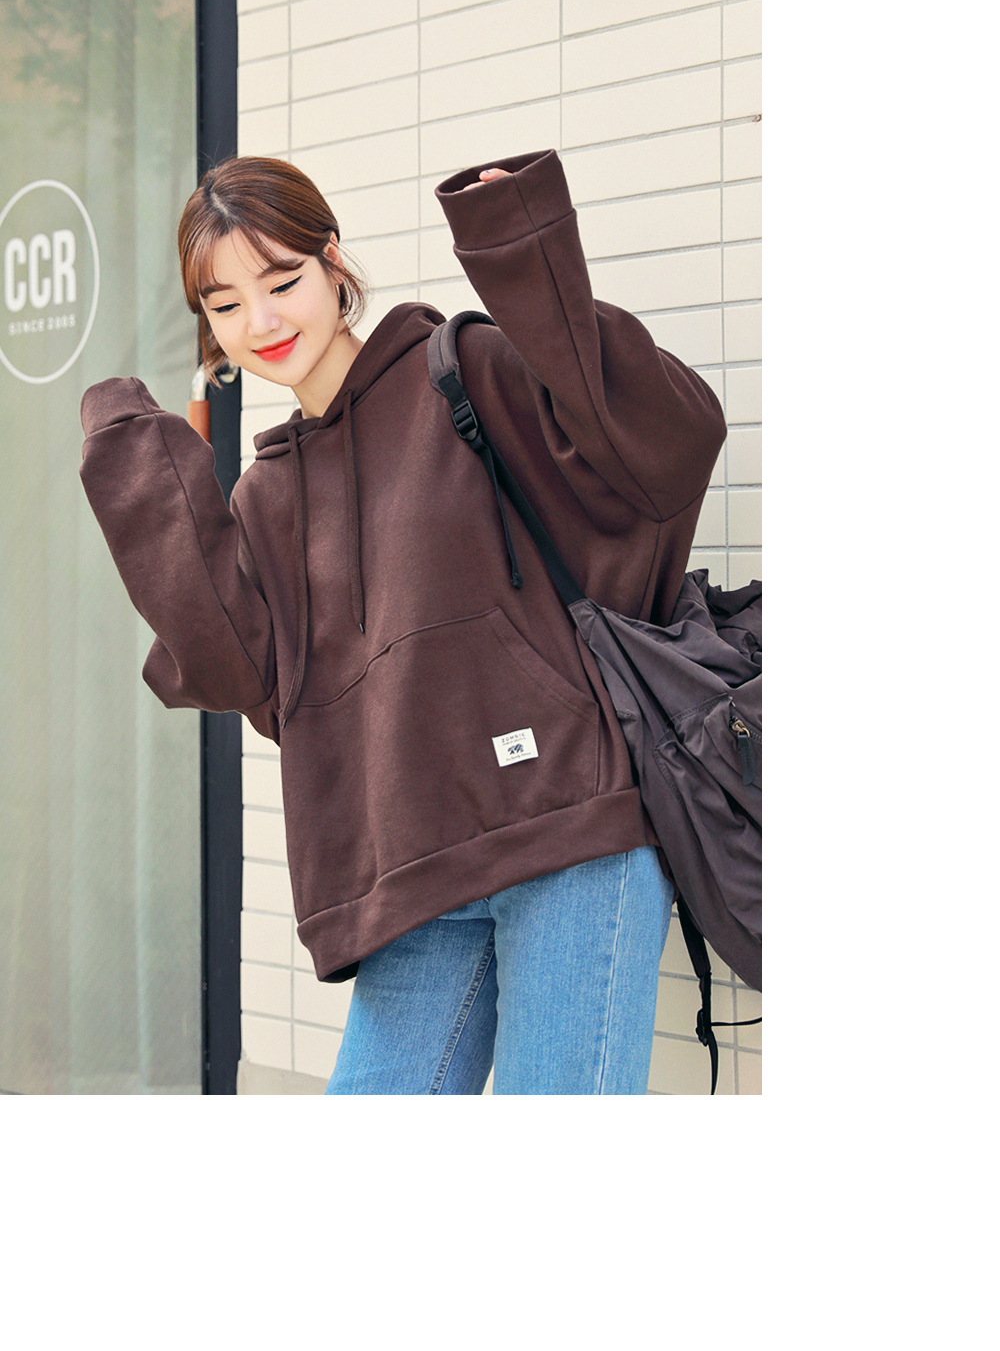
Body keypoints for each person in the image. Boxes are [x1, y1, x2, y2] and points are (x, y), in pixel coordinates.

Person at [80, 148, 727, 1095]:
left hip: (570, 836)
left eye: (282, 282)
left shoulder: (463, 375)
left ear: (333, 262)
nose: (261, 322)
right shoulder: (266, 498)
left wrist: (521, 249)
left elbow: (665, 443)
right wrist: (134, 465)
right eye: (225, 304)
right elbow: (240, 675)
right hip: (411, 873)